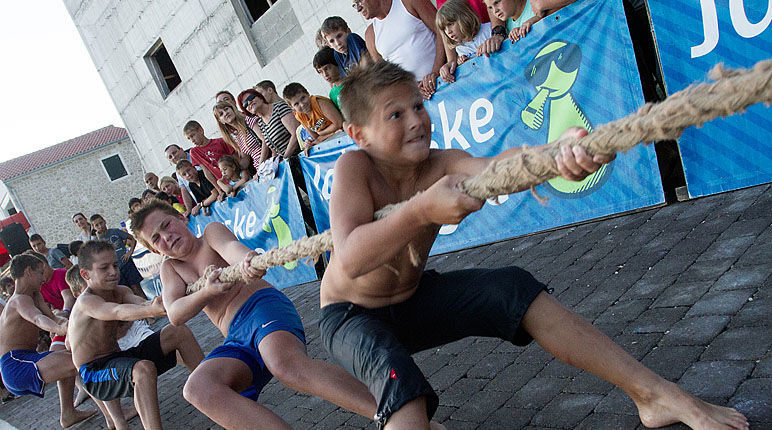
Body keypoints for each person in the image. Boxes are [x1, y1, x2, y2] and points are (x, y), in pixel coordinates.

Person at [318, 60, 749, 430]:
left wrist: (556, 154)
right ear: (359, 134)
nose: (416, 120)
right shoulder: (354, 167)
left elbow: (499, 166)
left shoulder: (441, 163)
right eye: (395, 114)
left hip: (412, 300)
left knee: (514, 289)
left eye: (418, 105)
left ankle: (654, 396)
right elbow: (351, 257)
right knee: (404, 392)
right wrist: (420, 210)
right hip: (351, 316)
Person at [129, 200, 377, 429]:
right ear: (154, 250)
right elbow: (175, 314)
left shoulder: (210, 235)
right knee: (197, 388)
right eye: (156, 238)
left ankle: (387, 409)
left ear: (182, 218)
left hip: (262, 307)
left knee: (284, 365)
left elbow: (232, 249)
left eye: (166, 225)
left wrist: (248, 262)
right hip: (236, 338)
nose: (166, 237)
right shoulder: (171, 268)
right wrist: (205, 292)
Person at [68, 240, 203, 430]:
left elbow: (142, 304)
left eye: (115, 265)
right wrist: (152, 310)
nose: (113, 272)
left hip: (118, 357)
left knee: (177, 331)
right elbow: (117, 312)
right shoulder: (86, 301)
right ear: (85, 274)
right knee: (143, 369)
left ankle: (211, 388)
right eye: (104, 268)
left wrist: (160, 304)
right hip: (93, 372)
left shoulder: (121, 291)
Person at [0, 254, 98, 428]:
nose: (43, 279)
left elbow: (53, 318)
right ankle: (114, 416)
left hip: (26, 357)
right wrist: (60, 329)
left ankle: (68, 414)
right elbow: (37, 319)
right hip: (15, 365)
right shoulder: (19, 300)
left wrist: (71, 322)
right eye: (40, 273)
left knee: (67, 358)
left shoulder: (34, 296)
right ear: (28, 272)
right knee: (78, 362)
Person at [63, 265, 141, 430]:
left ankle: (115, 418)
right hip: (95, 365)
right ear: (78, 294)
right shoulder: (82, 309)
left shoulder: (112, 295)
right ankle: (115, 419)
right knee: (105, 372)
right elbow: (69, 344)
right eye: (88, 290)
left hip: (112, 353)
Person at [356, 0, 446, 99]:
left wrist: (436, 71)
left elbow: (441, 29)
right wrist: (412, 88)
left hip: (444, 78)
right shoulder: (370, 35)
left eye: (359, 1)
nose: (358, 9)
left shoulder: (409, 3)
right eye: (354, 5)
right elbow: (385, 75)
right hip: (417, 97)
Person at [437, 0, 506, 83]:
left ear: (465, 17)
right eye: (444, 28)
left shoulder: (489, 30)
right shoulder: (460, 48)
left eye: (450, 24)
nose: (448, 31)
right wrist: (463, 64)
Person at [89, 214, 145, 299]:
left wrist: (129, 252)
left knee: (136, 287)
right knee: (125, 291)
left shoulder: (115, 231)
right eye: (97, 225)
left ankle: (146, 303)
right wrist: (99, 239)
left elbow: (132, 238)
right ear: (93, 227)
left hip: (126, 263)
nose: (100, 226)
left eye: (101, 223)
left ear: (105, 222)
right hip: (114, 269)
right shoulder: (96, 241)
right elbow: (98, 256)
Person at [238, 89, 300, 160]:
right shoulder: (261, 123)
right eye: (245, 104)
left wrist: (284, 158)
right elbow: (274, 151)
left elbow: (295, 133)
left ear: (260, 97)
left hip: (299, 155)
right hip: (288, 161)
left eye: (250, 97)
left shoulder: (279, 108)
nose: (249, 102)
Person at [282, 82, 344, 151]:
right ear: (292, 107)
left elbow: (339, 123)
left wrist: (321, 133)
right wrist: (309, 142)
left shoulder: (319, 103)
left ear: (307, 93)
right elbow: (316, 137)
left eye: (303, 98)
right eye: (296, 104)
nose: (302, 104)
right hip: (332, 139)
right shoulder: (299, 116)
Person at [165, 144, 220, 216]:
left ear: (181, 149)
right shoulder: (189, 182)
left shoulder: (195, 155)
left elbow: (215, 193)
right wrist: (189, 209)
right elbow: (184, 189)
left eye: (174, 152)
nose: (174, 157)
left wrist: (202, 204)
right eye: (170, 157)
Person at [213, 101, 267, 171]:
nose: (225, 113)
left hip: (268, 163)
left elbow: (265, 140)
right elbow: (245, 159)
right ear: (221, 121)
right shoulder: (236, 135)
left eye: (226, 109)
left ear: (232, 109)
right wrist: (230, 169)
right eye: (221, 114)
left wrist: (260, 166)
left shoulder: (248, 121)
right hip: (261, 169)